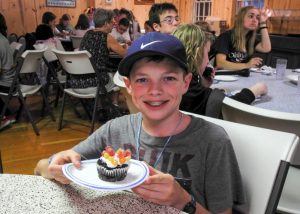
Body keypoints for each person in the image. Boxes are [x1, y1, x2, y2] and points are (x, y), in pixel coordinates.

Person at [36, 32, 245, 213]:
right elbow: (41, 167)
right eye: (142, 80)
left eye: (169, 78)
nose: (155, 91)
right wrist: (55, 167)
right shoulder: (114, 130)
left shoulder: (213, 141)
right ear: (128, 85)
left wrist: (182, 200)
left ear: (186, 83)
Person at [173, 24, 267, 118]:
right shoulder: (187, 86)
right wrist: (256, 90)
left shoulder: (176, 75)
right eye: (207, 53)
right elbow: (228, 108)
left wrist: (203, 83)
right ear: (197, 54)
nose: (207, 61)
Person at [74, 8, 127, 106]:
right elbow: (125, 54)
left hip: (77, 82)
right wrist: (127, 46)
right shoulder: (107, 37)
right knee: (120, 73)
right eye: (112, 22)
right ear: (106, 23)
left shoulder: (88, 34)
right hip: (96, 83)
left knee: (104, 69)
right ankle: (114, 105)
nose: (114, 24)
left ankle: (99, 105)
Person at [213, 6, 271, 70]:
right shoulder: (226, 36)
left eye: (257, 18)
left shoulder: (250, 38)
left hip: (240, 76)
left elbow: (266, 48)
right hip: (223, 77)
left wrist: (263, 23)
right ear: (241, 18)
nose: (255, 20)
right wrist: (246, 65)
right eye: (251, 16)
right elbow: (220, 64)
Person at [0, 13, 16, 130]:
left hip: (6, 83)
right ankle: (6, 112)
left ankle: (3, 118)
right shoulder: (3, 38)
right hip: (12, 80)